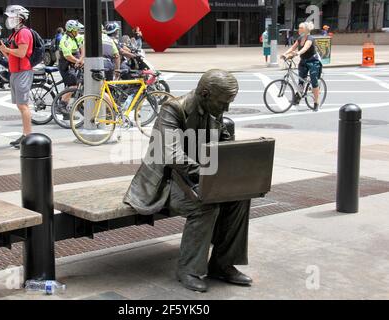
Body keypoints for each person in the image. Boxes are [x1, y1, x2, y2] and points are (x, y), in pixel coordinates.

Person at [124, 69, 253, 293]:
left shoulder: (214, 108)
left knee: (240, 198)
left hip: (197, 178)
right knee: (205, 204)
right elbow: (172, 156)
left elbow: (220, 147)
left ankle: (222, 264)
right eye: (223, 103)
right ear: (204, 93)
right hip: (165, 183)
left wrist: (234, 161)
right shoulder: (173, 109)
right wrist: (208, 172)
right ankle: (189, 270)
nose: (227, 109)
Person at [0, 5, 34, 149]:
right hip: (15, 71)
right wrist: (4, 51)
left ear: (20, 18)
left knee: (23, 105)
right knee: (20, 105)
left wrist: (7, 49)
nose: (9, 20)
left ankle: (28, 136)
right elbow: (12, 55)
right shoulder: (15, 34)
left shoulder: (24, 33)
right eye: (9, 17)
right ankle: (25, 134)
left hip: (23, 72)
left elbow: (22, 53)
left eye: (12, 17)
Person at [282, 22, 323, 111]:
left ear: (306, 29)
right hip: (303, 61)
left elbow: (305, 48)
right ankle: (298, 98)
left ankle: (316, 103)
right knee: (301, 80)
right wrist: (285, 54)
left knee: (314, 81)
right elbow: (293, 47)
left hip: (313, 61)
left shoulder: (310, 38)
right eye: (299, 27)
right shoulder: (300, 38)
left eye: (300, 28)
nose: (299, 29)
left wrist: (298, 53)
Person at [57, 20, 85, 117]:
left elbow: (82, 47)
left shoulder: (75, 38)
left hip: (74, 65)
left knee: (76, 83)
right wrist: (78, 61)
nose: (77, 32)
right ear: (71, 30)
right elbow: (68, 56)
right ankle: (62, 105)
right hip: (66, 66)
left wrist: (81, 59)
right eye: (76, 30)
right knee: (73, 85)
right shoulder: (65, 40)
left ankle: (67, 113)